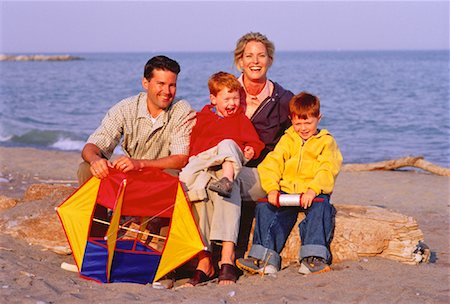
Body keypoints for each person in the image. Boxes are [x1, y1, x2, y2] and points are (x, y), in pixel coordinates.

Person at [236, 92, 343, 275]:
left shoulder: (326, 142)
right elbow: (272, 163)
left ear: (319, 118)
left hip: (312, 192)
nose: (302, 128)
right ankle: (265, 258)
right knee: (265, 208)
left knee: (322, 208)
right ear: (291, 120)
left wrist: (313, 189)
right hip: (287, 191)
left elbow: (327, 168)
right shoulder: (287, 139)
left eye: (308, 122)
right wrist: (272, 189)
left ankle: (313, 257)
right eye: (298, 123)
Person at [179, 71, 264, 286]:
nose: (232, 103)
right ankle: (215, 260)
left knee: (226, 168)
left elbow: (254, 143)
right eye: (227, 99)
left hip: (230, 166)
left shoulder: (240, 120)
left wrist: (251, 150)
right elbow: (194, 149)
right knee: (204, 179)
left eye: (236, 98)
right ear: (213, 99)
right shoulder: (203, 118)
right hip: (207, 162)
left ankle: (218, 260)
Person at [77, 55, 196, 184]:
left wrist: (140, 164)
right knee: (87, 168)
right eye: (161, 84)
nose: (167, 91)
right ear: (145, 83)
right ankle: (96, 204)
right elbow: (92, 146)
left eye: (172, 85)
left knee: (172, 174)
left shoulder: (182, 110)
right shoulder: (126, 108)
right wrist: (96, 161)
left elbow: (180, 159)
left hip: (159, 176)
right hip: (129, 174)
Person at [231, 32, 295, 259]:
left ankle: (229, 255)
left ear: (269, 60)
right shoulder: (226, 92)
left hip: (261, 173)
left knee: (226, 184)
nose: (255, 61)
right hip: (227, 166)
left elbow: (301, 138)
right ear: (240, 61)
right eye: (249, 56)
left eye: (261, 56)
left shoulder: (284, 99)